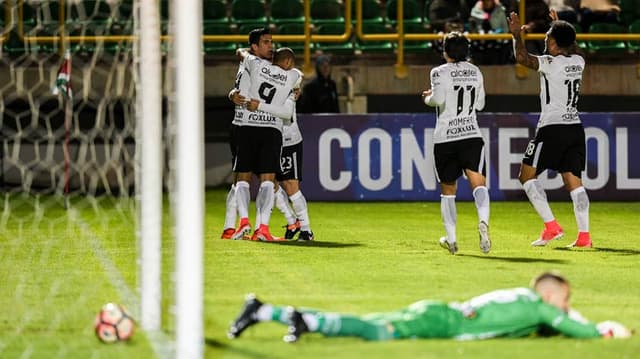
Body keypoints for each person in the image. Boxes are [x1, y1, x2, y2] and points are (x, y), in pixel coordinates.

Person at [227, 271, 632, 342]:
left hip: (439, 311)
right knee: (375, 332)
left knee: (370, 324)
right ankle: (304, 321)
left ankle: (266, 311)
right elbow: (573, 327)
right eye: (564, 299)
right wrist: (604, 330)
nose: (566, 306)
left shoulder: (524, 300)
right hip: (443, 322)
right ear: (550, 296)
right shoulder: (539, 309)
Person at [508, 12, 592, 248]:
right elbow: (572, 44)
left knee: (526, 176)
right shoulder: (579, 61)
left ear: (555, 43)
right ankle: (584, 237)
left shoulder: (550, 63)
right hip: (575, 127)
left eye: (548, 36)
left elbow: (523, 58)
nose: (545, 40)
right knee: (574, 183)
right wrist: (559, 25)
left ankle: (551, 226)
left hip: (552, 128)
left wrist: (516, 35)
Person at [422, 32, 490, 255]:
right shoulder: (476, 71)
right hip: (471, 134)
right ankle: (483, 223)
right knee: (478, 183)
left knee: (448, 190)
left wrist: (427, 97)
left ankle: (451, 240)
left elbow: (438, 100)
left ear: (446, 51)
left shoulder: (439, 72)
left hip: (446, 138)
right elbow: (479, 104)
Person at [232, 46, 302, 241]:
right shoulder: (292, 76)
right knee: (268, 181)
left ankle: (243, 222)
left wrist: (244, 52)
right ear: (288, 62)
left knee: (242, 178)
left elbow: (242, 55)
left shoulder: (257, 65)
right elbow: (298, 79)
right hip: (271, 129)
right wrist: (297, 87)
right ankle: (262, 228)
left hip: (247, 125)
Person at [221, 28, 274, 240]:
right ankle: (231, 226)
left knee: (265, 178)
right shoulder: (249, 62)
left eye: (271, 42)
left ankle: (253, 227)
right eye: (266, 42)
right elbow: (237, 88)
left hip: (263, 125)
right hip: (244, 125)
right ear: (254, 46)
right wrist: (232, 94)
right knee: (240, 178)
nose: (270, 45)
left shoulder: (267, 62)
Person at [468, 0, 511, 64]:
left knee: (505, 45)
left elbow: (505, 29)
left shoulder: (500, 10)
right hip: (480, 42)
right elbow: (472, 30)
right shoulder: (475, 11)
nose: (487, 2)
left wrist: (498, 32)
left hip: (497, 41)